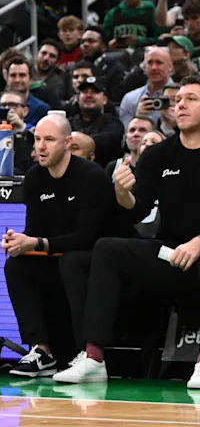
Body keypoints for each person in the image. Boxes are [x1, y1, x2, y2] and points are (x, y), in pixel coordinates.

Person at [53, 76, 200, 386]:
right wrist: (122, 191)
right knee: (108, 248)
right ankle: (93, 357)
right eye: (179, 100)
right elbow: (138, 208)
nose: (182, 104)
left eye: (192, 99)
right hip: (170, 252)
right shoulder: (160, 154)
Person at [2, 115, 131, 378]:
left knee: (71, 261)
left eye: (49, 140)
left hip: (99, 257)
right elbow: (36, 231)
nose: (41, 147)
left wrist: (37, 243)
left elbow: (87, 236)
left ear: (68, 142)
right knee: (16, 265)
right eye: (37, 139)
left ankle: (87, 353)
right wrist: (19, 242)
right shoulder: (35, 178)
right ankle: (42, 351)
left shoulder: (91, 176)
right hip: (59, 254)